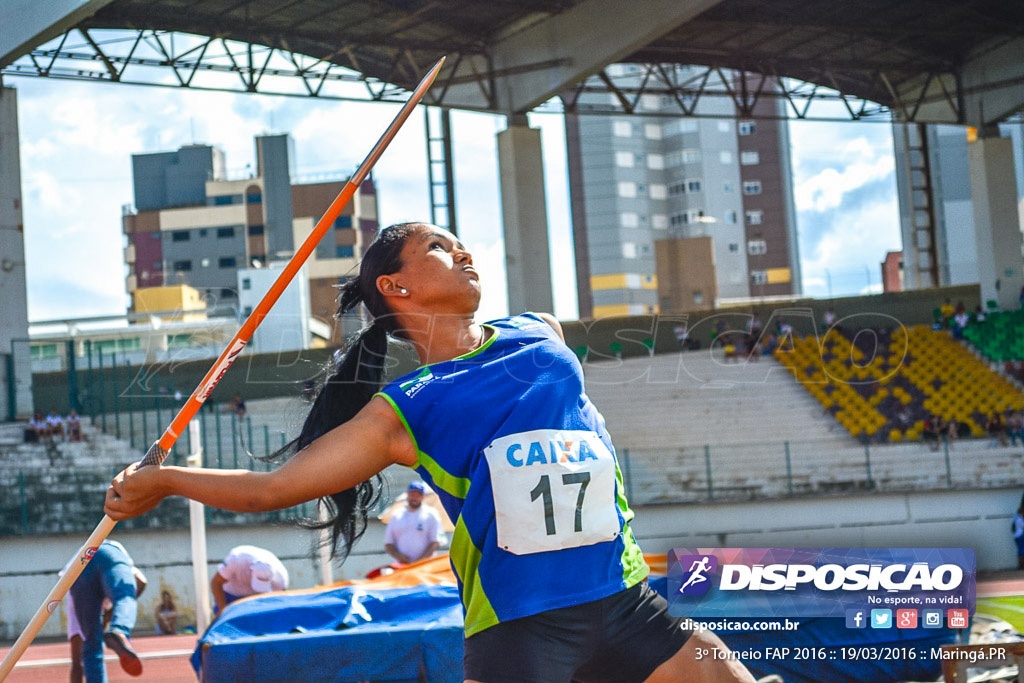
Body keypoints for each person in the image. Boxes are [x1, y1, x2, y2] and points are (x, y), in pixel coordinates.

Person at [105, 222, 755, 682]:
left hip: (623, 596)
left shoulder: (538, 330)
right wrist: (166, 480)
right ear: (396, 286)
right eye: (438, 247)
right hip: (521, 628)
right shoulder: (405, 408)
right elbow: (271, 489)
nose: (464, 251)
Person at [66, 540, 146, 681]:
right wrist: (116, 613)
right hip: (109, 553)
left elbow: (76, 662)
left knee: (91, 646)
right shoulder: (114, 558)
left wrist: (108, 615)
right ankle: (119, 629)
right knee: (124, 596)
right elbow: (141, 581)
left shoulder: (72, 599)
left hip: (76, 572)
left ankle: (115, 631)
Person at [211, 545, 288, 616]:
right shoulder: (236, 559)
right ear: (250, 570)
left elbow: (280, 605)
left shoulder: (281, 578)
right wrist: (223, 612)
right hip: (230, 595)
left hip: (259, 599)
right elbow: (216, 583)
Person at [384, 481, 444, 565]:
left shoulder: (431, 514)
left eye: (418, 495)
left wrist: (420, 561)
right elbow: (388, 544)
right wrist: (398, 556)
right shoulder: (396, 515)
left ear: (423, 497)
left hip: (425, 565)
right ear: (407, 494)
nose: (414, 498)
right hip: (402, 565)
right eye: (412, 495)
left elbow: (435, 542)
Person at [1013, 501, 1024, 570]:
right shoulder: (1020, 519)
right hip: (1020, 536)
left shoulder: (1016, 517)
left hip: (1017, 536)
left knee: (1021, 550)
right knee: (1021, 550)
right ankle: (1020, 565)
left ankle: (1020, 564)